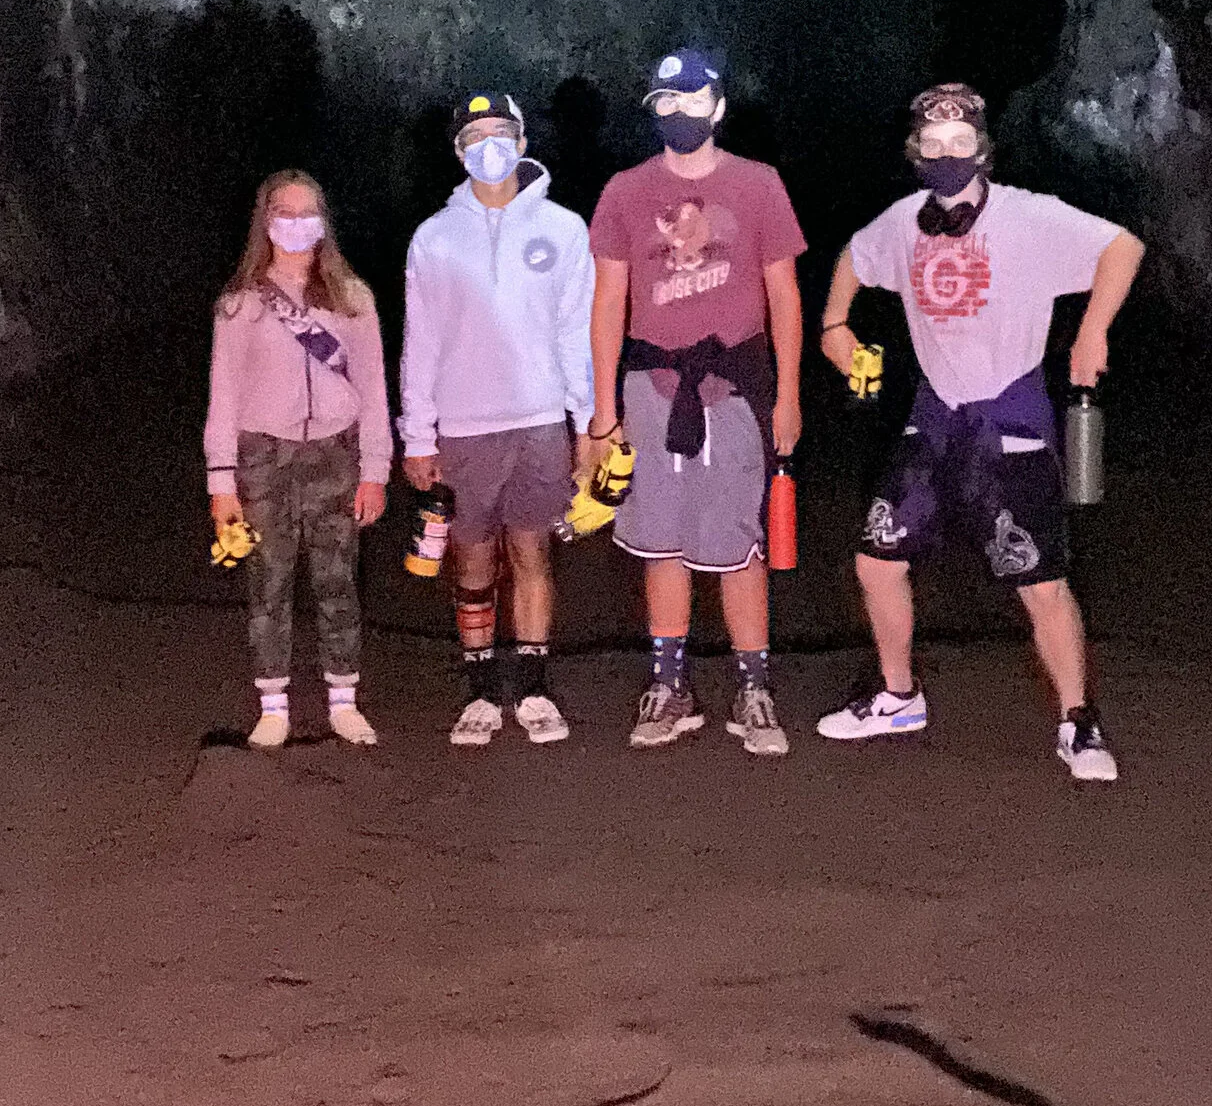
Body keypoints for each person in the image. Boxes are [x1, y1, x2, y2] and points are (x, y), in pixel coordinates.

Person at [815, 81, 1143, 780]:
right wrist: (834, 327)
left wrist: (1092, 331)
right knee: (877, 556)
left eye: (959, 144)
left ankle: (1078, 723)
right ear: (915, 151)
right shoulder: (905, 221)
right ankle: (898, 695)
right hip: (934, 412)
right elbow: (853, 255)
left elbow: (1122, 247)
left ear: (983, 148)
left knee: (1041, 580)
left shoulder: (1030, 217)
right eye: (932, 146)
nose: (945, 156)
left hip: (1010, 410)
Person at [583, 47, 805, 753]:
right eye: (667, 103)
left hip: (734, 388)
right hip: (651, 387)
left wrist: (789, 395)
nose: (681, 114)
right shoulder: (624, 191)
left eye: (692, 100)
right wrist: (602, 410)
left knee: (740, 544)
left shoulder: (759, 184)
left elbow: (784, 296)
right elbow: (608, 301)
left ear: (718, 106)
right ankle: (669, 685)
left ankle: (753, 688)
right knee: (661, 539)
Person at [398, 90, 596, 747]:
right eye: (475, 135)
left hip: (539, 421)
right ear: (458, 151)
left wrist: (587, 420)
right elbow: (420, 340)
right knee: (472, 556)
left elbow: (575, 332)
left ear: (522, 139)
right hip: (462, 427)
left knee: (532, 550)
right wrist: (417, 434)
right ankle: (481, 687)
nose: (490, 146)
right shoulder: (433, 237)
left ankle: (534, 687)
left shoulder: (564, 229)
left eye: (501, 132)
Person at [204, 169, 392, 749]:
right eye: (284, 212)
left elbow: (375, 394)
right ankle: (274, 703)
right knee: (270, 583)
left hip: (336, 452)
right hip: (263, 457)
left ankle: (343, 699)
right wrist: (221, 482)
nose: (296, 223)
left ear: (323, 221)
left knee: (338, 580)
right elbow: (224, 399)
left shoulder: (353, 299)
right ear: (266, 220)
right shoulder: (239, 307)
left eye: (307, 212)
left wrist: (375, 471)